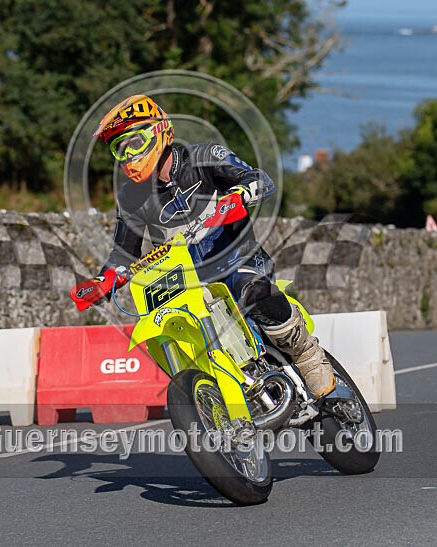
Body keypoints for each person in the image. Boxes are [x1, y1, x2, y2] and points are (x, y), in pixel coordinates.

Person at [71, 94, 335, 398]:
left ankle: (306, 354)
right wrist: (102, 281)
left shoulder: (205, 155)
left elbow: (257, 178)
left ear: (159, 131)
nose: (129, 155)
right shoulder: (130, 196)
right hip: (185, 280)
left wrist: (238, 194)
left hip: (236, 258)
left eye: (135, 143)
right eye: (121, 150)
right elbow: (123, 251)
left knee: (255, 291)